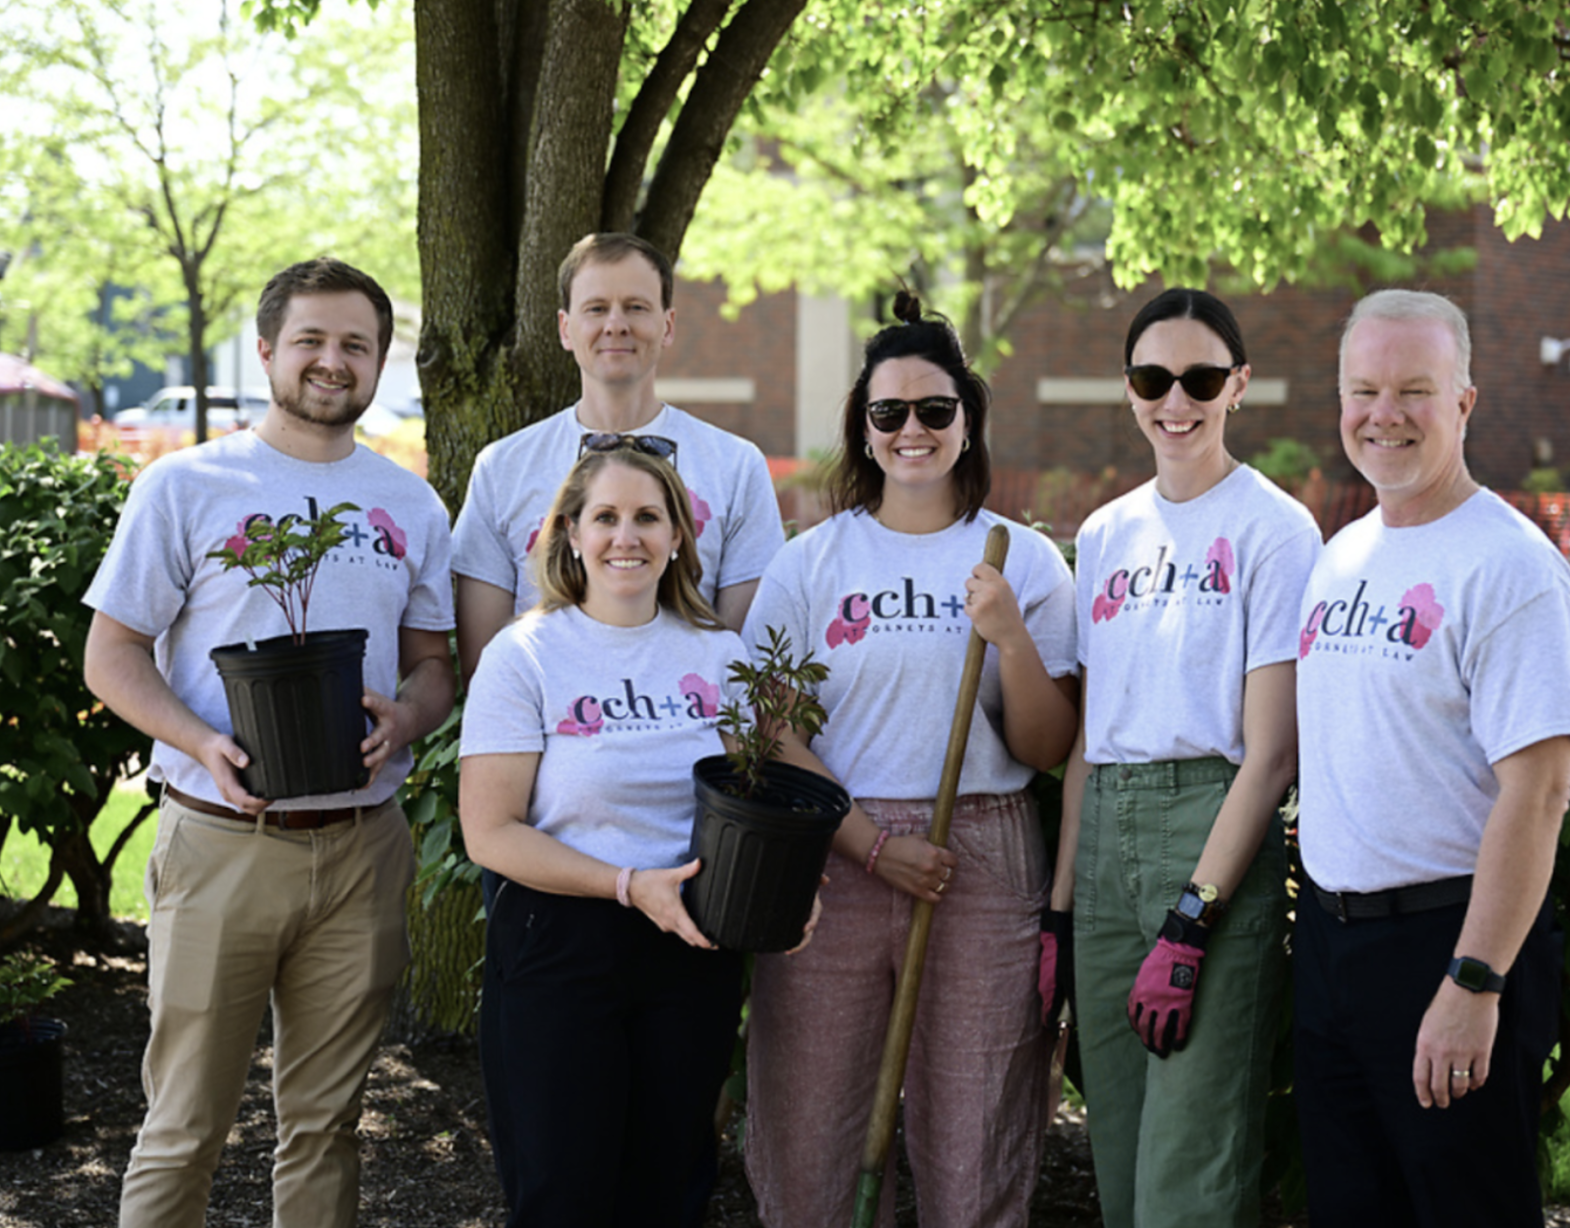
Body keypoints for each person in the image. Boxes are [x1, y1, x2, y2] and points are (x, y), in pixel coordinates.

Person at [82, 257, 456, 1228]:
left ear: (380, 364)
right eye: (312, 341)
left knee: (325, 1125)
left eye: (356, 345)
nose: (333, 362)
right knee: (184, 1121)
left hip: (361, 851)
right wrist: (202, 740)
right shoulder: (186, 485)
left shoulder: (407, 502)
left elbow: (434, 668)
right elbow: (112, 655)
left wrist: (405, 718)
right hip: (220, 843)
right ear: (266, 351)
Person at [741, 294, 1079, 1228]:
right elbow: (765, 725)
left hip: (982, 850)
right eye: (889, 413)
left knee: (976, 1134)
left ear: (967, 421)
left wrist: (1010, 636)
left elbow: (1047, 748)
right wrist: (868, 845)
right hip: (832, 854)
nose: (913, 431)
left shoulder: (1024, 560)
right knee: (813, 1130)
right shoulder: (812, 563)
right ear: (863, 427)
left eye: (935, 409)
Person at [1292, 289, 1570, 1226]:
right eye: (1363, 389)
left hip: (1449, 947)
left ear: (1464, 401)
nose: (1384, 414)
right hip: (1333, 948)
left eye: (1415, 390)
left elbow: (1538, 793)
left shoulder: (1510, 567)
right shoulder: (1341, 555)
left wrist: (1474, 981)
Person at [1053, 287, 1319, 1228]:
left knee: (1190, 1179)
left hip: (1208, 834)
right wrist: (1057, 914)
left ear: (1238, 385)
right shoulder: (1103, 534)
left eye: (1201, 378)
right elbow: (1088, 738)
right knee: (1121, 1163)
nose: (1177, 400)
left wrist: (1193, 920)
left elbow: (1273, 752)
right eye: (1153, 378)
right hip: (1104, 849)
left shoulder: (1275, 531)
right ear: (1128, 390)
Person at [460, 438, 757, 1225]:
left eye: (648, 517)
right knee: (564, 1191)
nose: (627, 536)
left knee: (668, 1186)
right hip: (559, 943)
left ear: (677, 538)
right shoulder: (523, 656)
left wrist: (786, 887)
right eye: (606, 516)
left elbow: (748, 812)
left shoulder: (721, 658)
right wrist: (626, 886)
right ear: (570, 533)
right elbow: (489, 832)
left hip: (693, 946)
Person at [450, 231, 785, 684]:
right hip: (547, 739)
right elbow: (483, 669)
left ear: (667, 326)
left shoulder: (735, 465)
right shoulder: (502, 468)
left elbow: (742, 663)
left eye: (636, 307)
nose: (615, 325)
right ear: (565, 329)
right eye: (596, 308)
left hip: (687, 735)